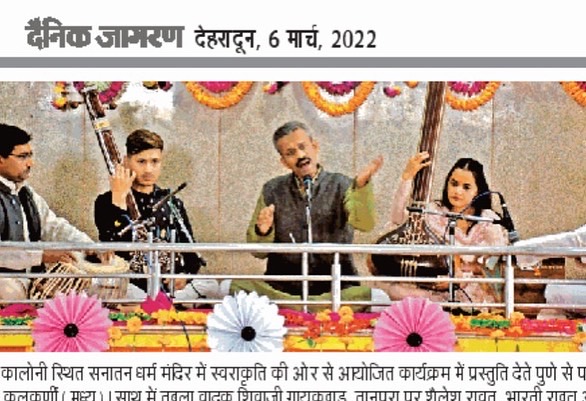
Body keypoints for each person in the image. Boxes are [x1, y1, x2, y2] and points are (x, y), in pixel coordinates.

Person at [222, 120, 387, 310]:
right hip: (282, 290)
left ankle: (304, 307)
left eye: (303, 147)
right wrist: (262, 231)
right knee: (230, 286)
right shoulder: (272, 189)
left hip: (336, 289)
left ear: (315, 146)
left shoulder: (341, 185)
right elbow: (258, 252)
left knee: (377, 297)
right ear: (284, 162)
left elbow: (365, 224)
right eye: (291, 153)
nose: (300, 156)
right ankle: (303, 307)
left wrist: (360, 188)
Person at [94, 128, 219, 300]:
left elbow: (192, 257)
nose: (148, 169)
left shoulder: (172, 203)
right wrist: (119, 200)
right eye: (141, 161)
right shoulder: (106, 201)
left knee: (211, 283)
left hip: (170, 288)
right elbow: (111, 246)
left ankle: (169, 302)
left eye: (155, 161)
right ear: (126, 161)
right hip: (132, 288)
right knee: (103, 283)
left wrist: (184, 276)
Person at [381, 153, 509, 304]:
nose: (457, 191)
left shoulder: (488, 220)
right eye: (454, 183)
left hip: (474, 292)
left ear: (478, 191)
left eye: (466, 187)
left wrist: (461, 276)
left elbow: (496, 261)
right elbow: (397, 219)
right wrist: (407, 178)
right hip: (435, 288)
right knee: (397, 291)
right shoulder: (434, 211)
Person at [0, 123, 103, 299]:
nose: (30, 163)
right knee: (8, 291)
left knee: (89, 287)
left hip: (32, 279)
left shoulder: (26, 193)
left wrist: (91, 247)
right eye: (22, 157)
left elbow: (55, 227)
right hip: (6, 282)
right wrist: (42, 256)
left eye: (30, 155)